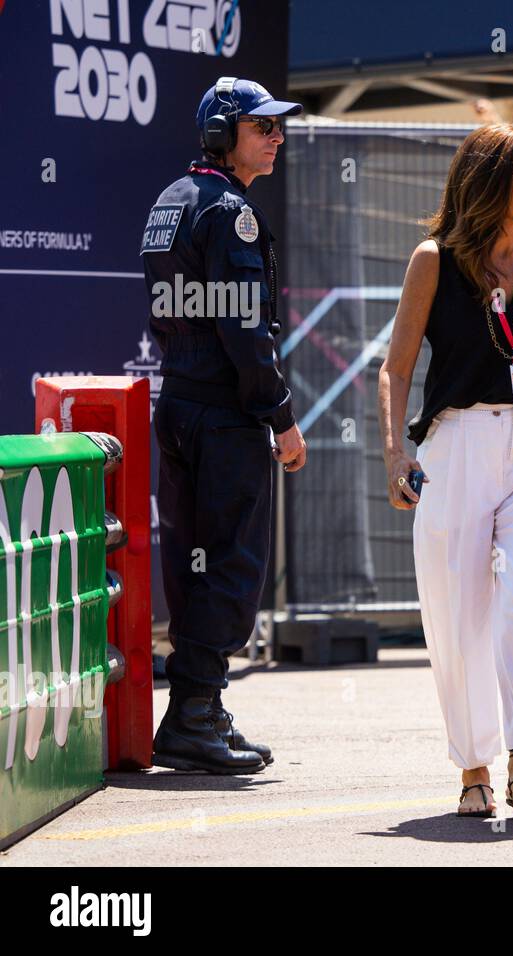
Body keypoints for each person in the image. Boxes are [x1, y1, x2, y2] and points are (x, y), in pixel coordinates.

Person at [378, 124, 513, 819]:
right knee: (457, 613)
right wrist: (396, 452)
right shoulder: (435, 259)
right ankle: (475, 769)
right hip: (457, 440)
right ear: (485, 179)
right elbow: (396, 367)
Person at [141, 77, 306, 774]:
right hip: (223, 413)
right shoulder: (230, 211)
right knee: (231, 563)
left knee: (193, 561)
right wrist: (282, 419)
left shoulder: (169, 202)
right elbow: (246, 330)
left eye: (278, 127)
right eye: (261, 127)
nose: (275, 137)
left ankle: (198, 708)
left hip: (178, 402)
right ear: (221, 135)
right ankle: (192, 715)